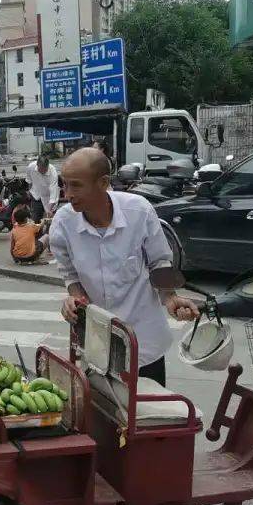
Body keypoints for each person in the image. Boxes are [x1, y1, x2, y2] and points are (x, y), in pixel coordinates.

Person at [50, 147, 199, 389]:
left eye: (76, 186)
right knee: (104, 416)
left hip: (143, 342)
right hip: (98, 342)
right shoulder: (63, 223)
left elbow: (159, 261)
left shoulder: (138, 211)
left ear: (103, 183)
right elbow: (69, 272)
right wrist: (75, 298)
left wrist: (170, 297)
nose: (68, 194)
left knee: (146, 417)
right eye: (64, 185)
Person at [26, 156, 59, 221]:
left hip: (49, 197)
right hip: (36, 195)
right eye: (41, 170)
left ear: (48, 166)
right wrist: (29, 191)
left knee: (51, 219)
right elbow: (29, 180)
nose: (43, 172)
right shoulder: (31, 167)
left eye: (45, 170)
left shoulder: (53, 172)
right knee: (36, 219)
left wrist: (49, 210)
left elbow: (53, 193)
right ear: (37, 165)